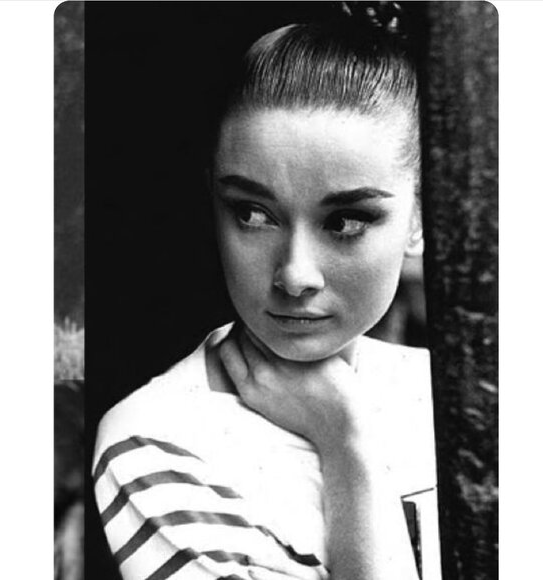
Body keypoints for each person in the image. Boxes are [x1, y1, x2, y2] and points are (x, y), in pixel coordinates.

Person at [93, 7, 438, 580]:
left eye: (345, 221)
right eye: (253, 214)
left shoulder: (455, 398)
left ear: (419, 218)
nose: (295, 275)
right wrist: (346, 445)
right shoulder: (155, 443)